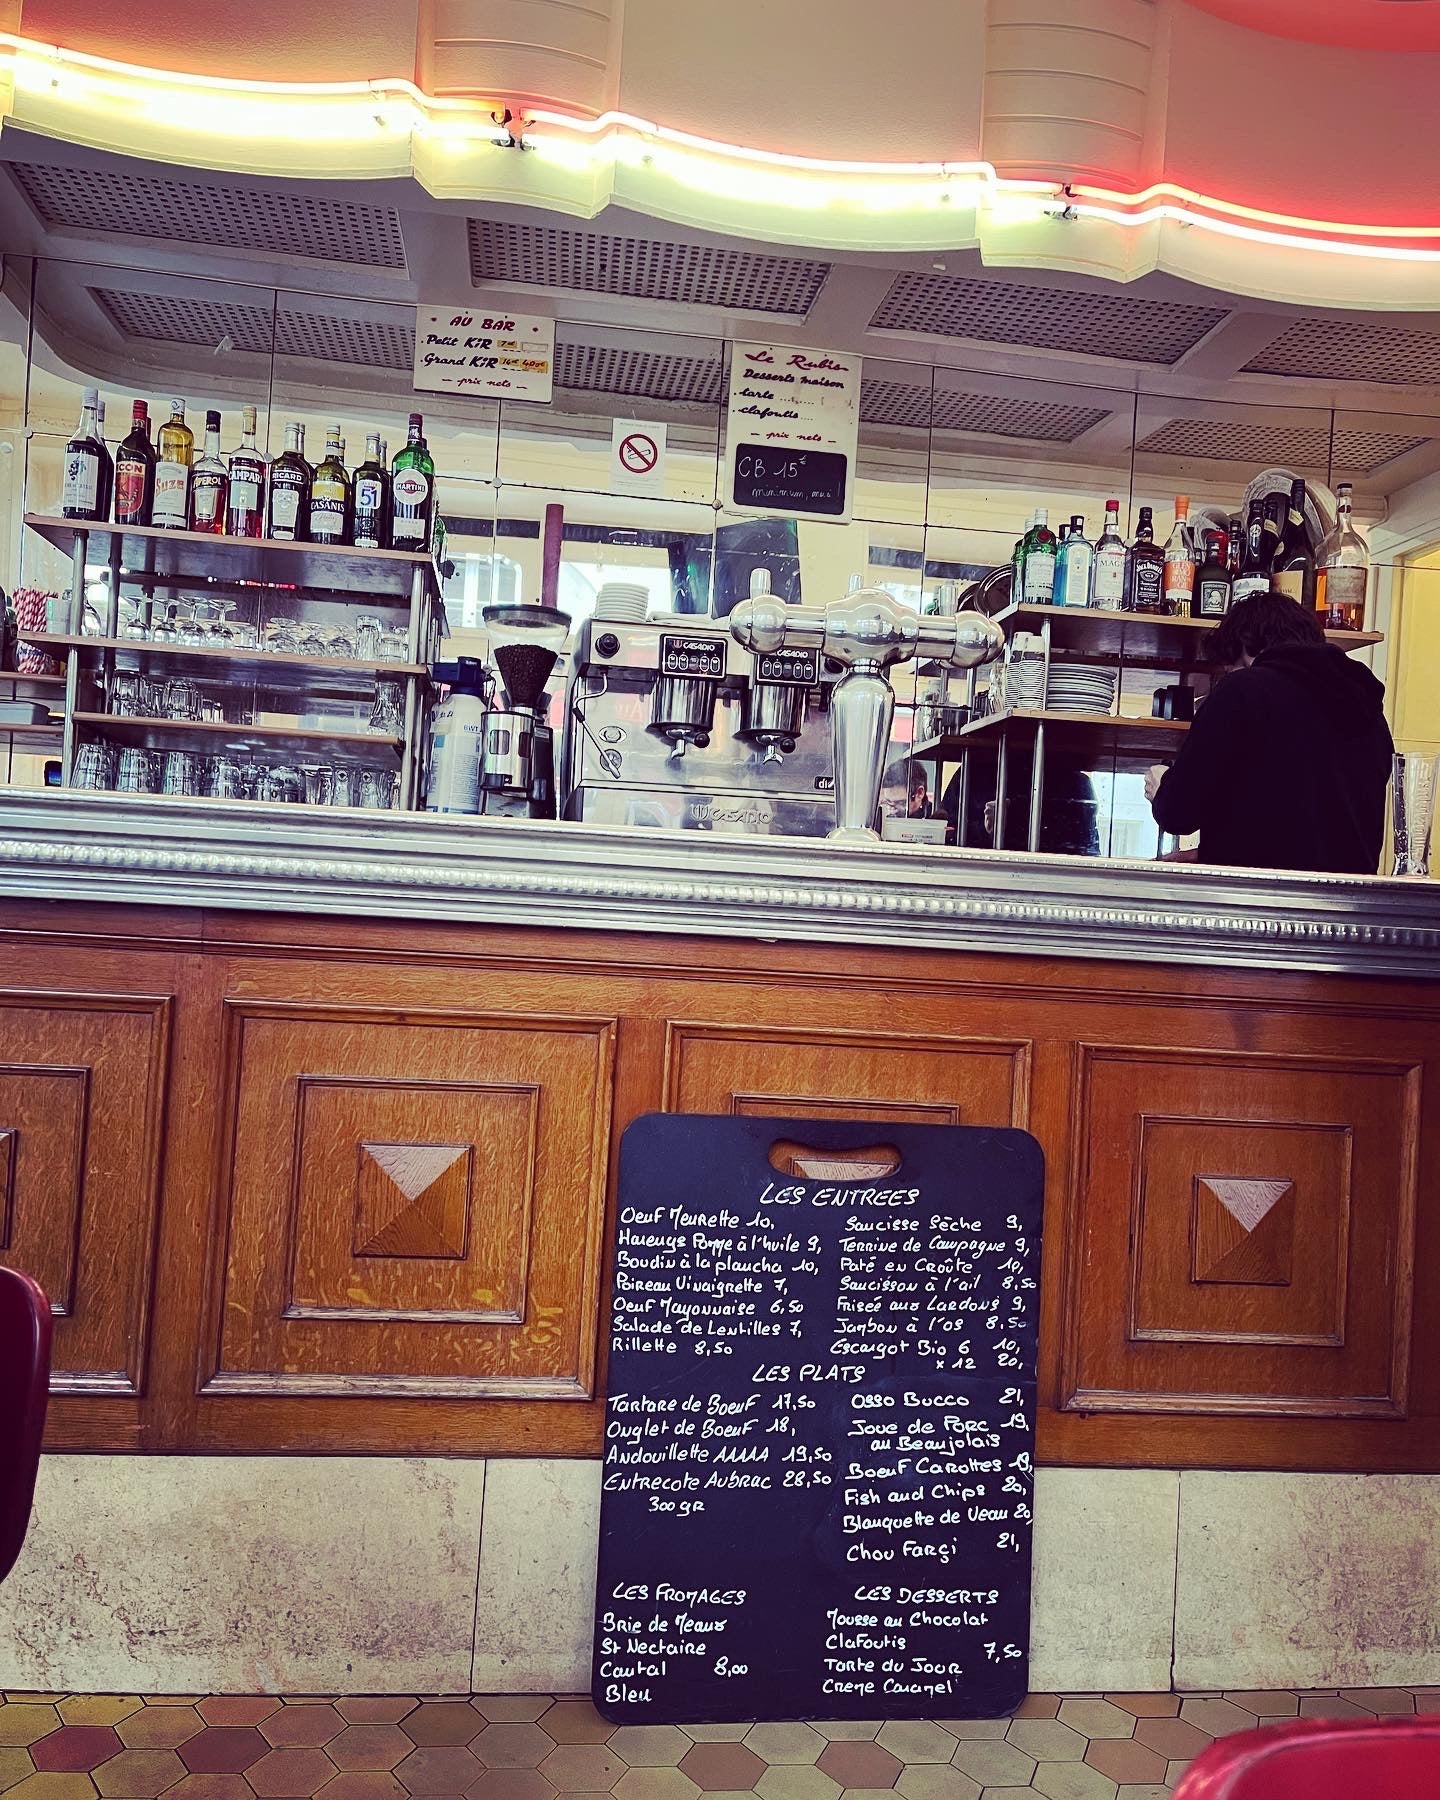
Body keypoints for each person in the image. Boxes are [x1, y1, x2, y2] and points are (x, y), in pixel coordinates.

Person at [1145, 592, 1392, 874]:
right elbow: (1313, 831)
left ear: (1247, 647)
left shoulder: (1242, 691)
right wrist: (1209, 852)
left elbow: (1178, 814)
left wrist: (1162, 785)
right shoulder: (1370, 712)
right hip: (1349, 908)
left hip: (1259, 904)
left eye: (1230, 665)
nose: (1230, 673)